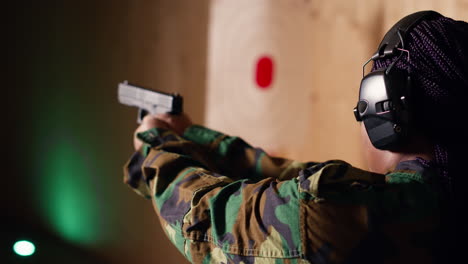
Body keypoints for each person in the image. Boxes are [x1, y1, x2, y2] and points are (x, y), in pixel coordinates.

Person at [123, 10, 467, 264]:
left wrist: (155, 145)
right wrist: (190, 135)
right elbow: (284, 173)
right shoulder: (439, 202)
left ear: (384, 109)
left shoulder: (343, 215)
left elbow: (203, 220)